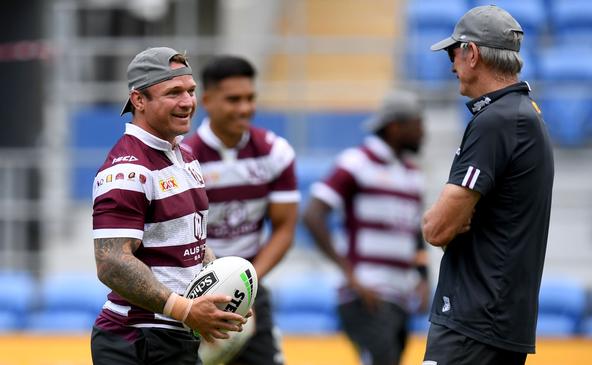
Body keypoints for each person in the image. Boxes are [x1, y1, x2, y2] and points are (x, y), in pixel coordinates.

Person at [90, 47, 246, 364]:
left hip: (174, 336)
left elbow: (193, 246)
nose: (188, 102)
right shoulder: (127, 170)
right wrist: (186, 309)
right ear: (139, 100)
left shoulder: (185, 158)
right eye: (174, 92)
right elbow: (111, 263)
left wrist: (226, 297)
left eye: (190, 91)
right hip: (138, 339)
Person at [420, 5, 555, 365]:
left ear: (472, 53)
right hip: (498, 323)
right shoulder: (525, 115)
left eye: (453, 52)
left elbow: (437, 227)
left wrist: (445, 219)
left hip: (471, 322)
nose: (451, 64)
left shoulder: (496, 120)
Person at [183, 55, 299, 365]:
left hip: (251, 285)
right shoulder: (182, 158)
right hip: (193, 291)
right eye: (233, 99)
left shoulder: (276, 152)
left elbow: (285, 229)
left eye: (250, 98)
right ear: (206, 100)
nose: (245, 108)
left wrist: (245, 283)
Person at [302, 90, 430, 365]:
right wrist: (351, 276)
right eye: (417, 124)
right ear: (396, 126)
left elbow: (414, 234)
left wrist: (423, 277)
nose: (423, 133)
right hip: (366, 295)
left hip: (399, 298)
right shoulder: (356, 162)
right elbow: (313, 214)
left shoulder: (412, 174)